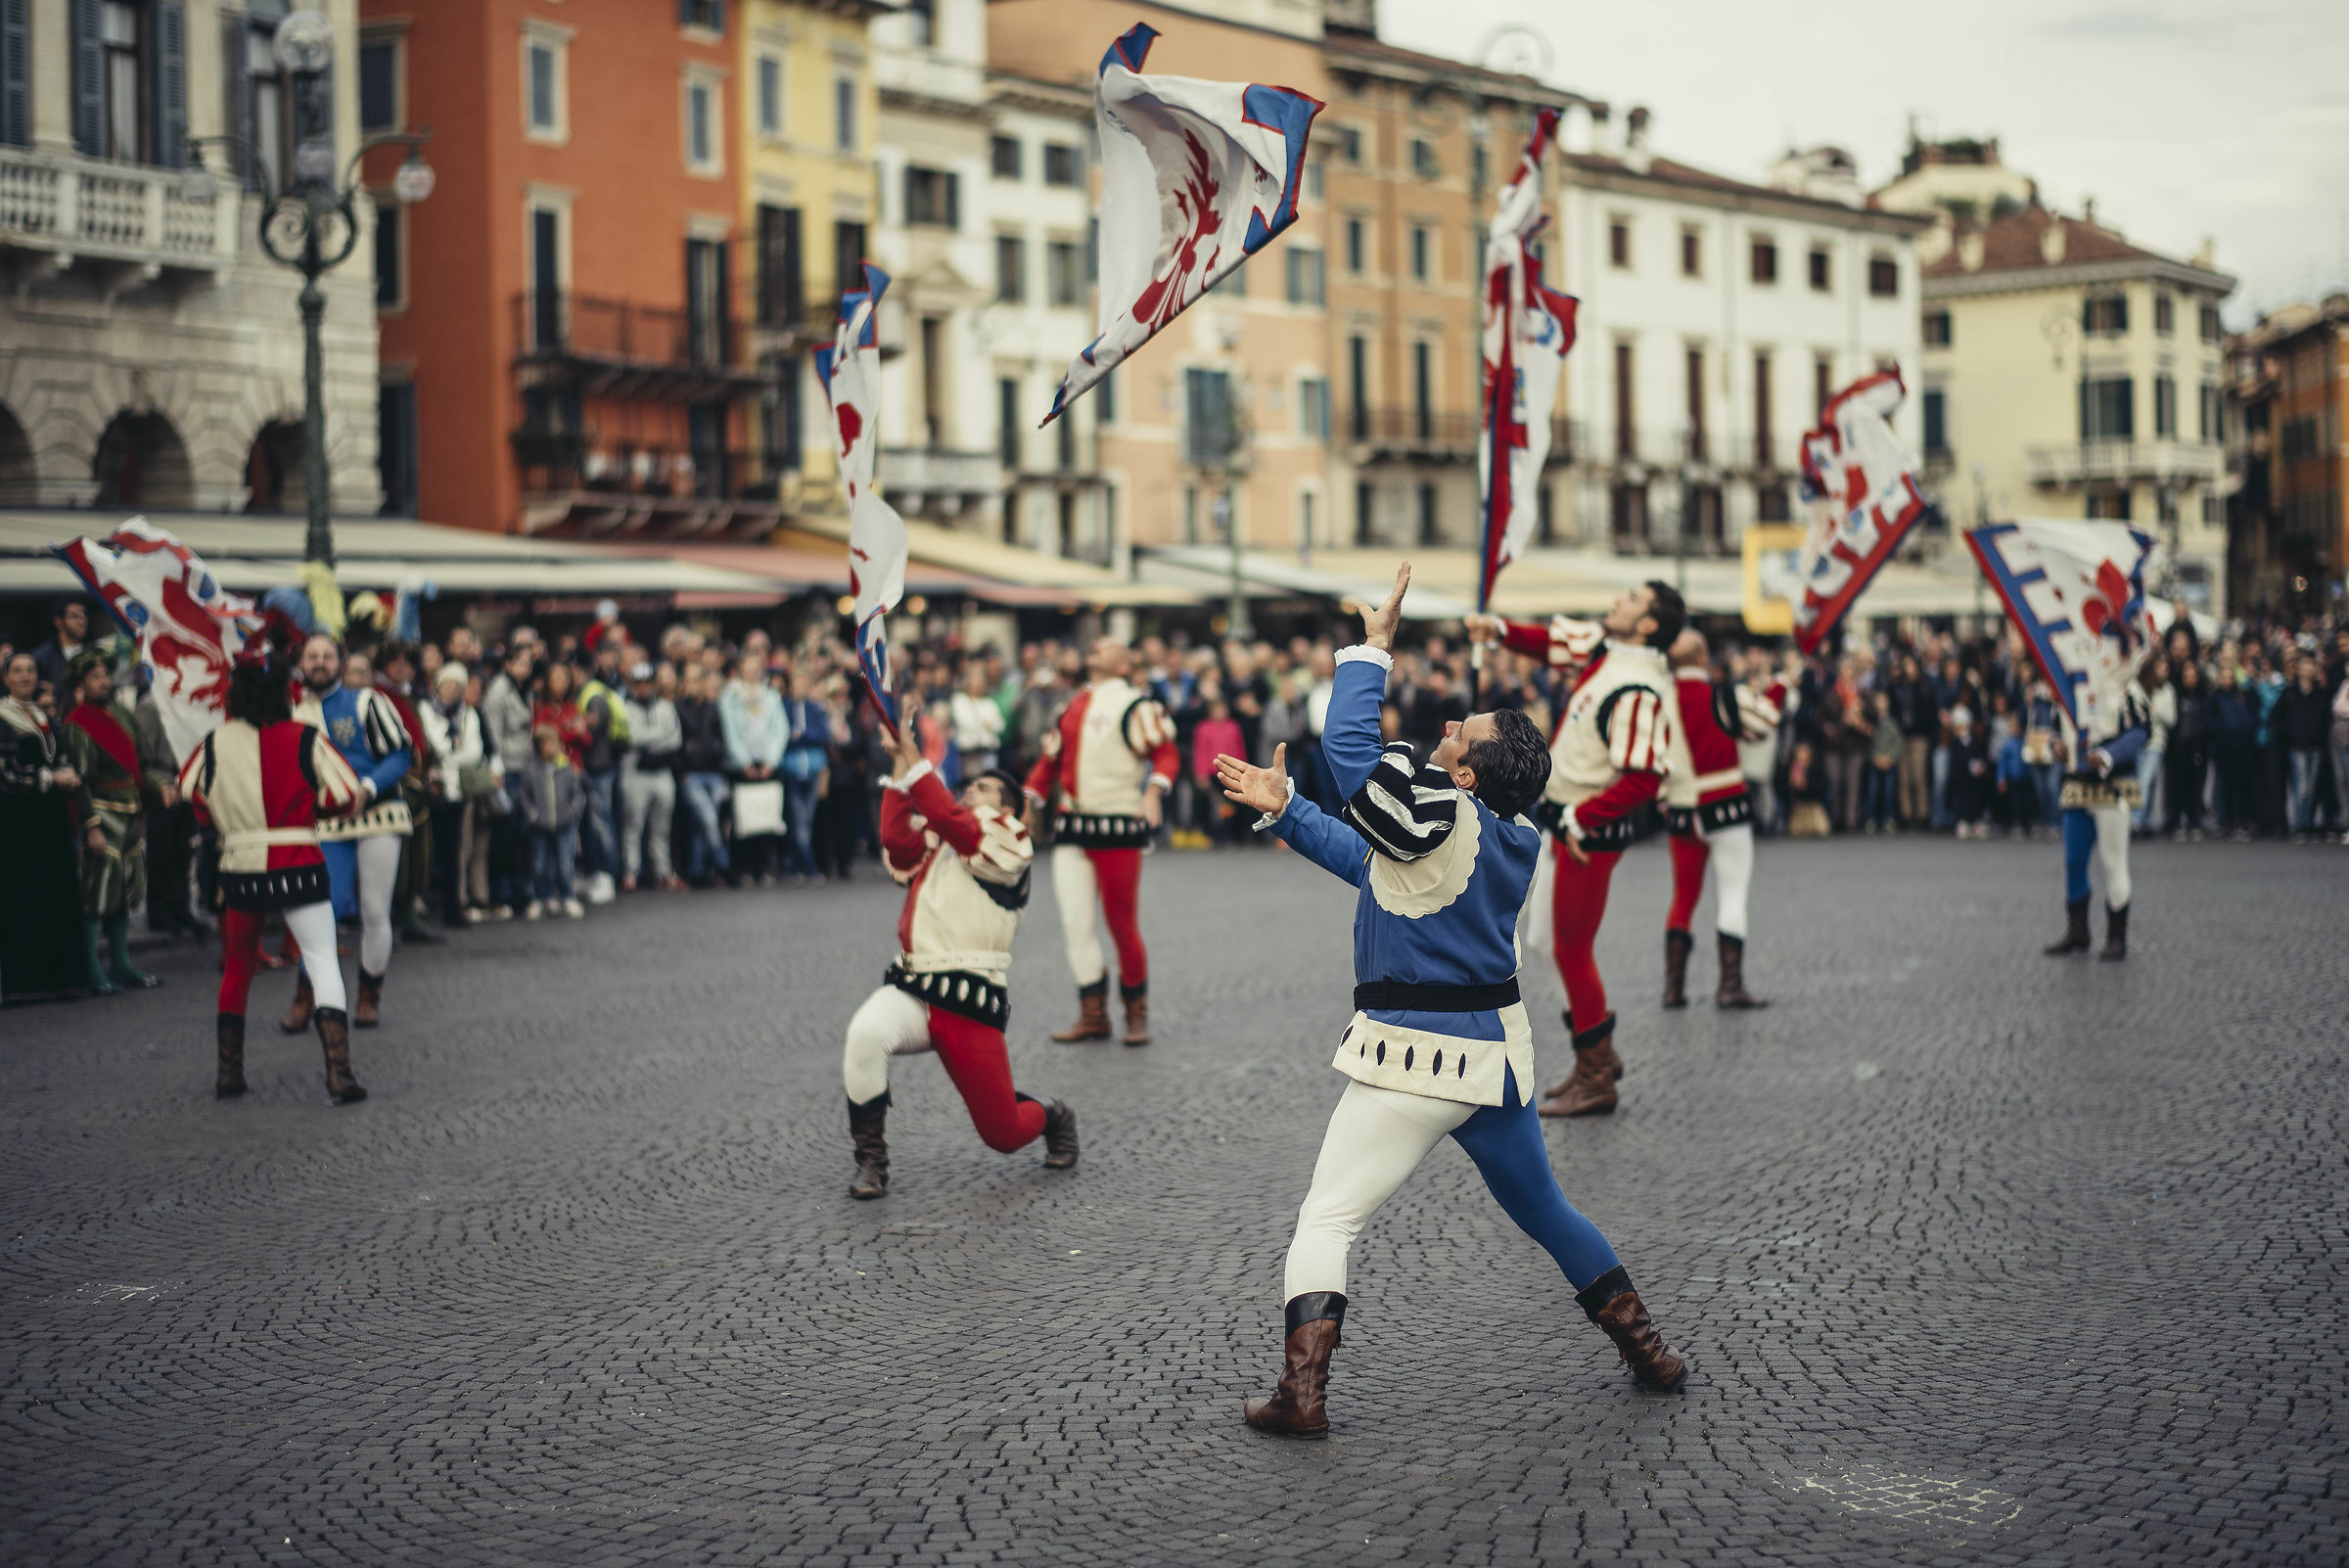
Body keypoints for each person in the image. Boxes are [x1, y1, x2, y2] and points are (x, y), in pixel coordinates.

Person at [1216, 563, 1685, 1438]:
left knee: (1328, 1215)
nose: (1444, 729)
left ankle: (1302, 1393)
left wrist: (1372, 648)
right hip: (1492, 1060)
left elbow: (1352, 757)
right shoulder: (1508, 831)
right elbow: (1371, 864)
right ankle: (1648, 1350)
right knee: (1548, 1211)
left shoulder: (1433, 811)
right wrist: (1286, 810)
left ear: (1466, 776)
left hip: (1410, 1056)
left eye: (1457, 733)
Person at [1466, 580, 1686, 1120]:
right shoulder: (1610, 653)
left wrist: (1580, 817)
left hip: (1588, 834)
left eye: (1631, 599)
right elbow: (1554, 643)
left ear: (1649, 625)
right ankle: (1597, 1055)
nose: (1618, 599)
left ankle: (1596, 1074)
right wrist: (1497, 631)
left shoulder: (1638, 685)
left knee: (1570, 948)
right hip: (1566, 823)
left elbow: (1644, 778)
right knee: (1544, 940)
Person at [840, 718, 1078, 1200]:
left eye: (984, 788)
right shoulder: (947, 831)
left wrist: (914, 755)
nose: (971, 791)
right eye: (969, 785)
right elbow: (896, 839)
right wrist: (899, 763)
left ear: (1008, 806)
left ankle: (1054, 1115)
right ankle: (871, 1161)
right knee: (864, 1035)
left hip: (968, 994)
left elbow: (953, 820)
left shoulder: (1011, 837)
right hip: (912, 984)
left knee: (1003, 1135)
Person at [182, 648, 370, 1102]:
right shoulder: (305, 736)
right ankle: (338, 1073)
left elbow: (193, 797)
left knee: (238, 965)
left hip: (240, 864)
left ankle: (229, 1074)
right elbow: (344, 795)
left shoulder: (214, 741)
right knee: (322, 958)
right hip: (297, 860)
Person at [1022, 637, 1179, 1046]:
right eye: (1094, 644)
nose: (1096, 646)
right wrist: (1028, 799)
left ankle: (1135, 1013)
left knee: (1121, 923)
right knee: (1075, 925)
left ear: (1125, 664)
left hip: (1118, 824)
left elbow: (1165, 753)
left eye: (1109, 645)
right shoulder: (1071, 704)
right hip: (1072, 825)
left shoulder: (1136, 703)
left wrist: (1153, 791)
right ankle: (1093, 1015)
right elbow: (1049, 761)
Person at [288, 635, 412, 1033]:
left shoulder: (367, 701)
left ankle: (368, 995)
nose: (320, 663)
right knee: (324, 909)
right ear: (301, 663)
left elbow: (400, 754)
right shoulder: (292, 712)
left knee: (375, 910)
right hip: (327, 821)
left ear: (340, 661)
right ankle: (307, 996)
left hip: (377, 813)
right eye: (312, 657)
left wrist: (368, 788)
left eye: (327, 656)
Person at [1658, 631, 1777, 1010]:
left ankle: (1673, 989)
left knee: (1683, 897)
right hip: (1725, 807)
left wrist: (1666, 797)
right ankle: (1730, 985)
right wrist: (1782, 686)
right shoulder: (1724, 694)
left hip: (1680, 809)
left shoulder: (1660, 701)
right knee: (1732, 895)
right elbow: (1764, 722)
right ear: (1705, 657)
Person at [60, 653, 161, 992]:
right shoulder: (77, 724)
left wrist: (161, 785)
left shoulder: (122, 713)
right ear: (80, 685)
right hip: (102, 814)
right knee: (97, 894)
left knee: (122, 893)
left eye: (106, 676)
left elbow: (142, 763)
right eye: (95, 677)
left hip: (130, 811)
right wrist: (91, 826)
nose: (104, 682)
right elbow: (81, 781)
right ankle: (92, 968)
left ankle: (121, 964)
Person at [2044, 669, 2151, 961]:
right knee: (2074, 861)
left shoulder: (2125, 683)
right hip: (2077, 783)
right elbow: (2057, 725)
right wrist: (2056, 744)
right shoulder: (2068, 682)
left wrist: (2109, 754)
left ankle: (2116, 936)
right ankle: (2077, 931)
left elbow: (2142, 729)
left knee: (2112, 860)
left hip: (2113, 783)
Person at [1, 649, 90, 1000]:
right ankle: (23, 981)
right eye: (17, 671)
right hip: (17, 822)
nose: (25, 676)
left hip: (50, 820)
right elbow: (6, 776)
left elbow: (60, 755)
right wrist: (50, 778)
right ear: (6, 678)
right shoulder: (4, 717)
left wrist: (67, 773)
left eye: (30, 670)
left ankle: (56, 978)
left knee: (53, 891)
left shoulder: (42, 716)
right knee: (22, 893)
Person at [420, 664, 487, 927]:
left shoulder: (468, 715)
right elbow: (428, 743)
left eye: (456, 686)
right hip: (431, 786)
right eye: (446, 684)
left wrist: (447, 754)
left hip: (457, 789)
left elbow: (474, 752)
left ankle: (452, 907)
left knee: (454, 850)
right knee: (426, 849)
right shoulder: (425, 710)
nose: (450, 690)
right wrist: (451, 749)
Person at [719, 651, 789, 887]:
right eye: (747, 668)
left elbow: (780, 729)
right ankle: (744, 869)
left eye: (755, 668)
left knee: (768, 818)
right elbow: (730, 731)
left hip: (767, 765)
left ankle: (767, 868)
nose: (752, 673)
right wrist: (743, 761)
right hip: (742, 767)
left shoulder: (771, 696)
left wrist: (770, 760)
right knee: (743, 820)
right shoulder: (730, 696)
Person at [508, 723, 585, 919]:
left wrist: (571, 813)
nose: (552, 747)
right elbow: (524, 797)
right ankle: (542, 897)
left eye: (555, 742)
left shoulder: (566, 767)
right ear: (539, 746)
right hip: (539, 825)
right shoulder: (531, 770)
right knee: (540, 864)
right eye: (547, 743)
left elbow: (577, 794)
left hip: (564, 824)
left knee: (565, 863)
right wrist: (532, 815)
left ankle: (567, 896)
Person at [577, 640, 631, 904]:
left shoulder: (592, 692)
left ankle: (607, 874)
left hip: (597, 765)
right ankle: (602, 873)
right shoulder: (605, 688)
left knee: (602, 823)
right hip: (606, 763)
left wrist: (578, 728)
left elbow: (594, 729)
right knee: (601, 821)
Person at [675, 665, 732, 886]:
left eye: (697, 680)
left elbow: (721, 738)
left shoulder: (712, 707)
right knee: (708, 818)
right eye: (689, 681)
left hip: (713, 774)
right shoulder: (678, 708)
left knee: (703, 824)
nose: (693, 685)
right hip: (691, 775)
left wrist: (721, 770)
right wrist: (682, 772)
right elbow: (675, 744)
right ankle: (724, 864)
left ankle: (697, 870)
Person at [780, 666, 833, 882]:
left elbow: (823, 735)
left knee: (807, 819)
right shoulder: (783, 707)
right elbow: (784, 735)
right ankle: (809, 866)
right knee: (798, 819)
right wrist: (798, 737)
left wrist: (801, 735)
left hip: (813, 769)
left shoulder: (814, 708)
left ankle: (796, 865)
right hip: (792, 769)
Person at [31, 598, 90, 704]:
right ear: (58, 621)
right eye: (75, 616)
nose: (82, 622)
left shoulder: (92, 655)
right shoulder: (42, 657)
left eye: (84, 616)